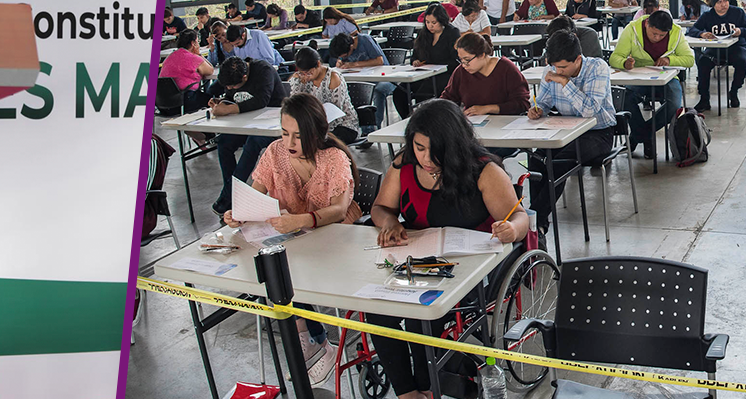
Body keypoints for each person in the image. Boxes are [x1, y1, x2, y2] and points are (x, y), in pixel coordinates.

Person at [369, 99, 528, 399]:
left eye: (435, 150)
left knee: (421, 314)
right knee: (377, 312)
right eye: (419, 147)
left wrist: (510, 229)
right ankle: (407, 392)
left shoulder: (483, 171)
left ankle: (428, 388)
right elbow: (380, 207)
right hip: (417, 262)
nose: (426, 158)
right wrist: (389, 222)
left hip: (471, 267)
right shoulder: (405, 165)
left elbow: (520, 218)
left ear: (453, 145)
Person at [222, 94, 364, 384]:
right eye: (285, 133)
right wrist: (239, 213)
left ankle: (315, 342)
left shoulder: (334, 158)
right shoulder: (274, 153)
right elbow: (255, 193)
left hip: (333, 235)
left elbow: (338, 210)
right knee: (274, 270)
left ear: (316, 133)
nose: (289, 143)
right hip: (291, 235)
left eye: (298, 136)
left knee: (288, 273)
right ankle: (313, 341)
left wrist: (302, 220)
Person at [526, 31, 617, 235]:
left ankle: (534, 220)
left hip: (598, 132)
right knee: (536, 158)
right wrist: (538, 109)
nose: (558, 71)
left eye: (564, 67)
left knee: (560, 163)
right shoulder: (552, 68)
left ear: (577, 59)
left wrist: (565, 83)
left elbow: (589, 110)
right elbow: (544, 101)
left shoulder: (597, 68)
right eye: (555, 67)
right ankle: (537, 222)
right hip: (565, 131)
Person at [609, 10, 694, 157]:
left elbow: (689, 59)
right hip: (638, 77)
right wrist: (624, 63)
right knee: (625, 97)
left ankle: (638, 136)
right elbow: (614, 58)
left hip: (667, 78)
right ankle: (646, 137)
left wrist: (670, 60)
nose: (657, 38)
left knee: (674, 105)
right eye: (654, 33)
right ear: (647, 24)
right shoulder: (632, 29)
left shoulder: (676, 32)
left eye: (662, 35)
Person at [207, 57, 286, 214]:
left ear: (245, 77)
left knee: (253, 143)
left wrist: (229, 110)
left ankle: (228, 196)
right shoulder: (232, 75)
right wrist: (222, 103)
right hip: (246, 122)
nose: (230, 88)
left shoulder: (264, 70)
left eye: (233, 85)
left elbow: (261, 101)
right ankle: (233, 195)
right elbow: (231, 98)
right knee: (223, 141)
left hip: (273, 124)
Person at [393, 4, 460, 119]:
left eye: (434, 23)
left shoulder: (452, 33)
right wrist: (416, 61)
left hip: (443, 74)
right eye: (427, 22)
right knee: (399, 93)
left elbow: (456, 60)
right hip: (422, 73)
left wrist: (438, 67)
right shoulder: (423, 34)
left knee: (424, 95)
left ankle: (424, 121)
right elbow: (415, 56)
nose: (430, 26)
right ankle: (408, 119)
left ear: (442, 20)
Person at [440, 32, 530, 117]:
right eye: (461, 60)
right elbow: (447, 99)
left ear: (482, 55)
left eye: (467, 60)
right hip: (474, 124)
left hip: (505, 124)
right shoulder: (461, 71)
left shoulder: (506, 68)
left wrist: (488, 108)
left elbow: (522, 104)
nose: (464, 65)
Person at [687, 0, 746, 110]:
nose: (723, 5)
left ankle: (734, 92)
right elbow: (693, 30)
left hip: (735, 47)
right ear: (713, 4)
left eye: (725, 1)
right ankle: (704, 99)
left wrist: (740, 31)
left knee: (743, 61)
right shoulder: (707, 15)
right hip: (715, 49)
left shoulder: (738, 13)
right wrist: (702, 34)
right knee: (703, 61)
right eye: (719, 2)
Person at [289, 47, 361, 144]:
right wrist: (296, 82)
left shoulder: (333, 78)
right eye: (302, 73)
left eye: (309, 73)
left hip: (343, 125)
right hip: (313, 125)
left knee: (321, 142)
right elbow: (294, 104)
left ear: (318, 64)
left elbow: (336, 114)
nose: (306, 76)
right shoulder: (302, 79)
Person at [329, 32, 395, 132]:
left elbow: (379, 61)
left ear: (351, 46)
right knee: (350, 90)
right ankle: (354, 128)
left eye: (346, 55)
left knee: (379, 91)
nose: (345, 57)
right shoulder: (343, 48)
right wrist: (339, 62)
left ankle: (374, 129)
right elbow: (340, 59)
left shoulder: (365, 40)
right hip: (363, 78)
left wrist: (354, 64)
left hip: (384, 77)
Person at [159, 29, 215, 111]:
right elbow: (210, 70)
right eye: (197, 42)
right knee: (212, 100)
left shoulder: (170, 57)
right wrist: (199, 54)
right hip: (184, 102)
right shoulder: (193, 58)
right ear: (193, 43)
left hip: (163, 104)